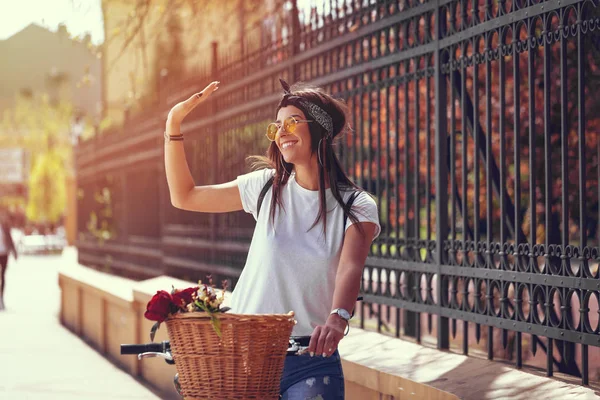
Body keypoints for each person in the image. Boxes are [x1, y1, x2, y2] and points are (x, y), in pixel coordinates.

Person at [164, 79, 380, 399]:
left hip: (310, 360)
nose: (281, 132)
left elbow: (350, 267)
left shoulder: (356, 206)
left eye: (291, 122)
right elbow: (185, 196)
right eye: (276, 126)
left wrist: (338, 318)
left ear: (319, 129)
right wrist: (173, 125)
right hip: (242, 360)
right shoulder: (267, 187)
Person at [0, 211, 18, 310]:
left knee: (2, 275)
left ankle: (1, 296)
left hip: (4, 254)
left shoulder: (5, 228)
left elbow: (10, 240)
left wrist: (14, 252)